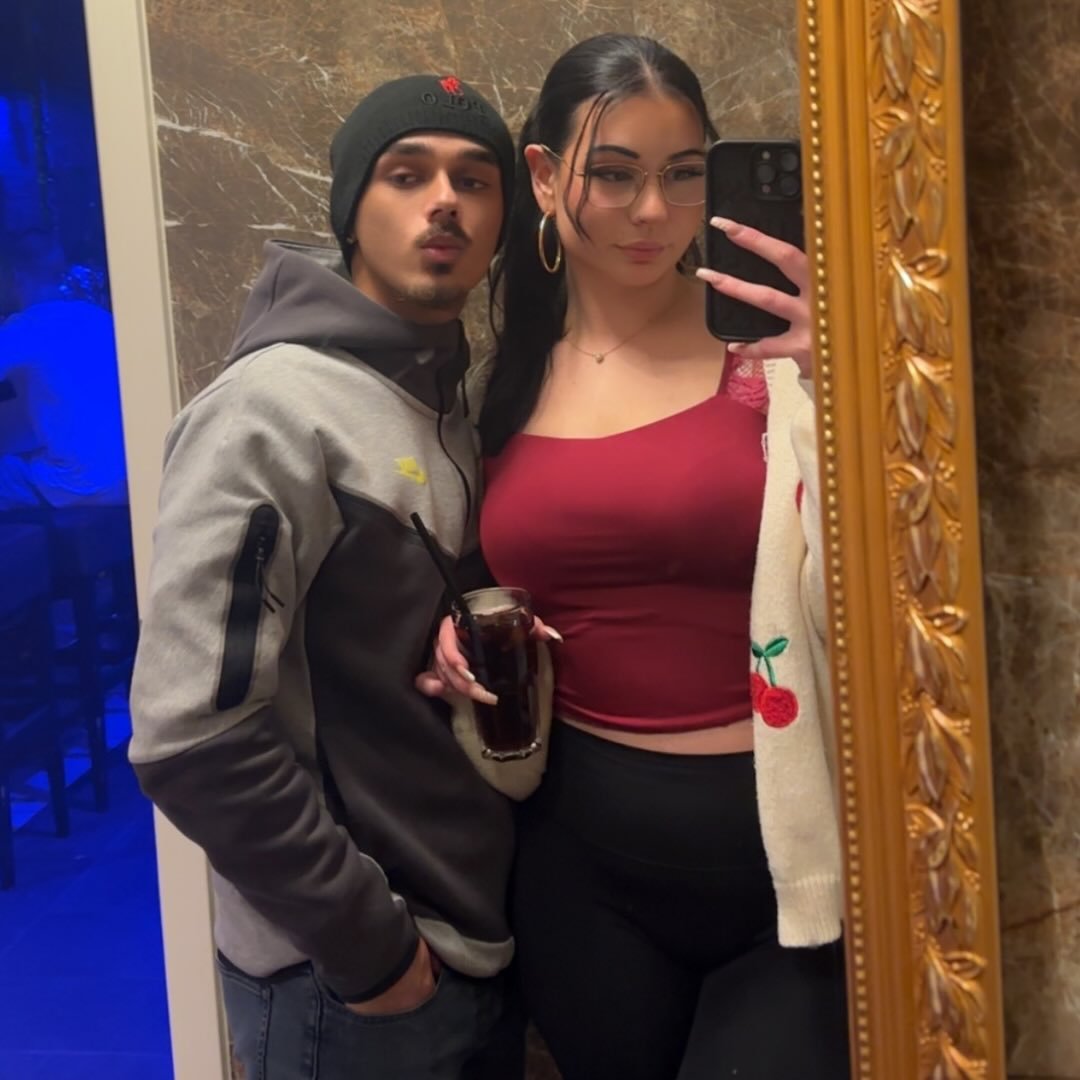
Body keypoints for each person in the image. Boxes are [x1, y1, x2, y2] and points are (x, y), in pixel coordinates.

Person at [421, 35, 851, 1080]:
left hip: (787, 861)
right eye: (613, 174)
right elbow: (474, 573)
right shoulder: (497, 390)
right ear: (543, 176)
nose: (653, 211)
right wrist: (449, 634)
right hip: (579, 873)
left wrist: (852, 384)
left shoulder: (785, 360)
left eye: (683, 173)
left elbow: (907, 566)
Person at [128, 74, 526, 1080]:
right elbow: (190, 736)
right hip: (350, 987)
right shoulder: (269, 410)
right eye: (408, 174)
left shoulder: (437, 400)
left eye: (475, 180)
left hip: (464, 944)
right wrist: (373, 953)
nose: (446, 202)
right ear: (352, 207)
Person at [0, 230, 126, 509]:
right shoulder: (99, 317)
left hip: (78, 483)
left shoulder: (25, 328)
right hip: (129, 472)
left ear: (15, 277)